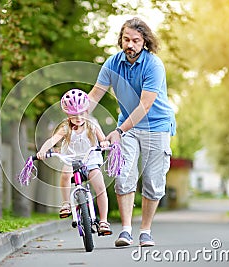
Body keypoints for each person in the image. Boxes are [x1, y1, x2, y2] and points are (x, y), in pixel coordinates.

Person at [88, 17, 176, 247]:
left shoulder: (153, 65)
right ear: (121, 40)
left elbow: (144, 106)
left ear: (145, 42)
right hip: (128, 127)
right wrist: (77, 115)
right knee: (123, 175)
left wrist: (118, 130)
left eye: (136, 40)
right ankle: (126, 231)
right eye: (126, 39)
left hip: (156, 126)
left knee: (153, 181)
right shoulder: (112, 63)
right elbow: (95, 94)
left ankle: (145, 231)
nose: (130, 44)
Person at [37, 88, 113, 235]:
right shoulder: (66, 128)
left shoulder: (92, 124)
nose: (78, 117)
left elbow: (103, 139)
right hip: (72, 160)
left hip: (90, 159)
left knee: (100, 187)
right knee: (65, 173)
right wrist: (43, 150)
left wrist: (104, 143)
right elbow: (53, 140)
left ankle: (103, 221)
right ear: (67, 114)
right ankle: (66, 203)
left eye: (82, 113)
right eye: (73, 114)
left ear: (87, 111)